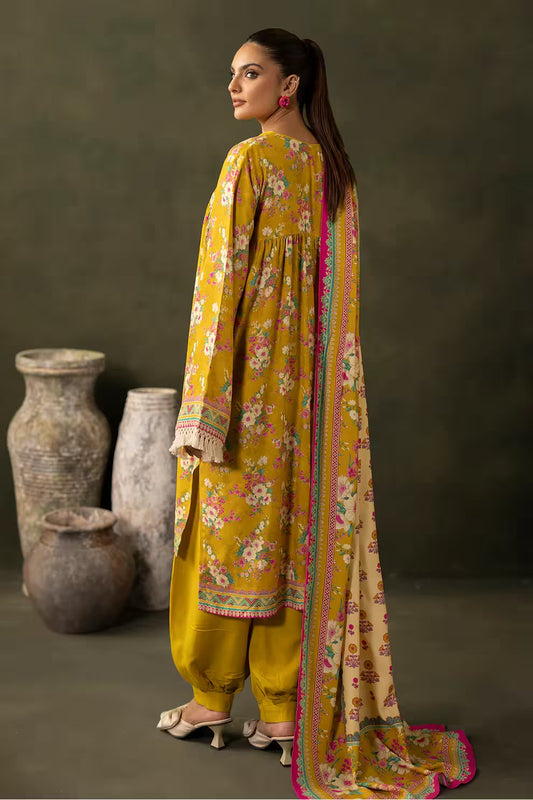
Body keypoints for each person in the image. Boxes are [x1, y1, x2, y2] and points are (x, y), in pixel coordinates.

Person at [157, 27, 476, 799]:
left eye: (250, 74)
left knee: (224, 539)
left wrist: (202, 404)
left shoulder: (249, 163)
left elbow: (218, 288)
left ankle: (209, 701)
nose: (233, 87)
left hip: (245, 394)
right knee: (292, 546)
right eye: (231, 75)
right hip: (312, 407)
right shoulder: (335, 173)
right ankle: (279, 711)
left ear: (288, 85)